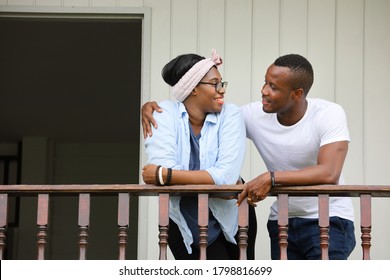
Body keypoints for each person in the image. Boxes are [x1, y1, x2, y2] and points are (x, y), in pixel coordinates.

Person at [141, 53, 356, 260]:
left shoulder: (328, 113)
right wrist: (150, 107)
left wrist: (270, 178)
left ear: (297, 93)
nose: (263, 91)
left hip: (330, 219)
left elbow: (329, 173)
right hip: (282, 221)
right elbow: (204, 115)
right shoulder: (248, 114)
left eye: (273, 87)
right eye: (265, 82)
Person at [142, 49, 257, 260]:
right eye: (215, 84)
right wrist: (215, 183)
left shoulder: (230, 114)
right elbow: (219, 180)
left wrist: (166, 176)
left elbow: (227, 177)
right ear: (193, 88)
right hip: (182, 221)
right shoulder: (162, 115)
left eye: (222, 83)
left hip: (234, 216)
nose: (222, 90)